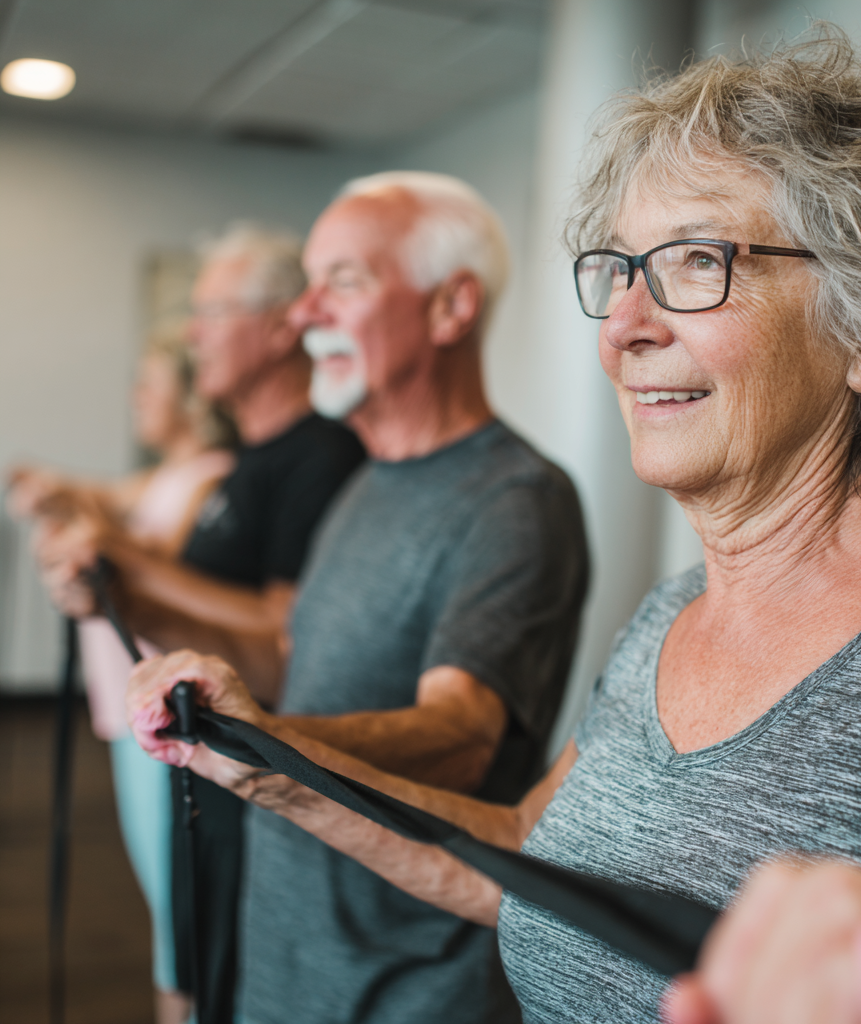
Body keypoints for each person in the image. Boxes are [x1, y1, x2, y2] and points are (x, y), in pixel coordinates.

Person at [125, 31, 861, 1024]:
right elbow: (521, 855)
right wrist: (266, 763)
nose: (624, 325)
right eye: (620, 268)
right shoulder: (672, 616)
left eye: (696, 259)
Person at [52, 173, 590, 1024]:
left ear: (451, 308)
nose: (303, 314)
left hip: (402, 982)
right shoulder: (365, 481)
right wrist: (137, 607)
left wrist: (264, 750)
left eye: (343, 281)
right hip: (285, 953)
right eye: (307, 285)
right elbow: (294, 662)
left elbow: (461, 741)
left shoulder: (516, 499)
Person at [35, 224, 366, 1023]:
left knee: (211, 973)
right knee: (183, 959)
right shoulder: (248, 461)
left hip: (254, 781)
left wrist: (128, 564)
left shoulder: (319, 457)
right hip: (197, 763)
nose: (195, 333)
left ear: (284, 324)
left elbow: (282, 635)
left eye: (213, 310)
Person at [8, 332, 235, 1024]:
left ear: (191, 400)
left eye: (149, 386)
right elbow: (107, 498)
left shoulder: (212, 475)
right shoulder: (165, 475)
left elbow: (152, 558)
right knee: (164, 902)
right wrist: (51, 489)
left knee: (178, 912)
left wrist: (86, 530)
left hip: (164, 723)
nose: (135, 398)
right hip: (127, 714)